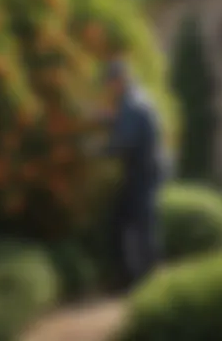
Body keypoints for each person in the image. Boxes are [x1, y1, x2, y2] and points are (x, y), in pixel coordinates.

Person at [84, 58, 167, 293]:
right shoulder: (136, 99)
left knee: (141, 227)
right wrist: (105, 120)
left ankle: (144, 282)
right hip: (145, 173)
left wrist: (96, 150)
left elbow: (126, 141)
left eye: (110, 82)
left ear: (120, 80)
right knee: (130, 224)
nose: (108, 87)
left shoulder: (131, 104)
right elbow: (126, 125)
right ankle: (136, 278)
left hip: (142, 175)